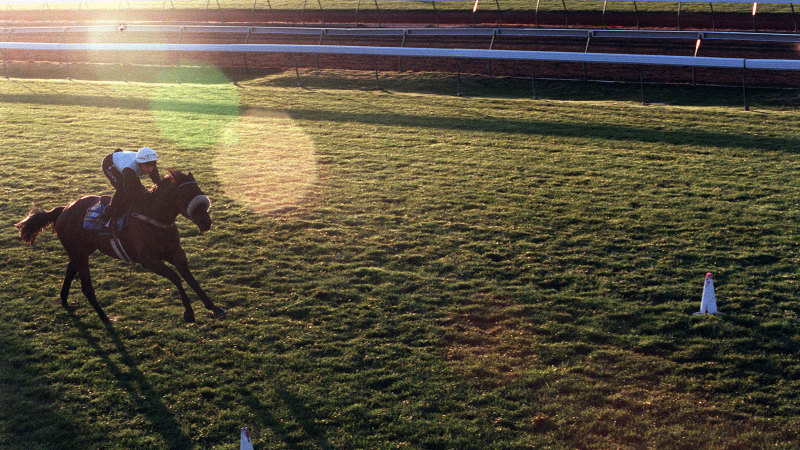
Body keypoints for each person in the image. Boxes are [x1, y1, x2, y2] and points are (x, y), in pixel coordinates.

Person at [100, 147, 161, 230]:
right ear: (139, 163)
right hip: (110, 164)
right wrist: (147, 194)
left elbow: (159, 183)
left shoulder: (151, 165)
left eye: (152, 165)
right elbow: (129, 194)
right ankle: (106, 217)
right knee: (121, 190)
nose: (150, 169)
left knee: (140, 189)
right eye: (147, 166)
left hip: (123, 162)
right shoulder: (129, 169)